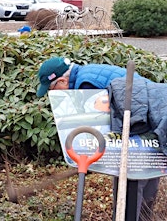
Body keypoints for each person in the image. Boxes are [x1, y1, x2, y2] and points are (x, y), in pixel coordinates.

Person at [36, 57, 158, 221]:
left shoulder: (86, 85)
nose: (52, 94)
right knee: (147, 176)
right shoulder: (87, 73)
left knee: (131, 183)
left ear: (62, 81)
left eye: (51, 89)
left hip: (140, 124)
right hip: (153, 121)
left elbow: (102, 126)